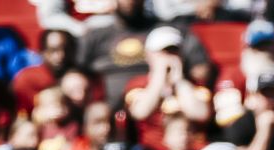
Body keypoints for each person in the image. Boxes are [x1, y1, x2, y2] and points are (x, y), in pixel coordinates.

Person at [76, 0, 211, 106]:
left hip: (159, 103)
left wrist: (182, 76)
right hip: (111, 107)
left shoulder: (167, 30)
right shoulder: (96, 36)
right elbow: (75, 71)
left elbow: (200, 68)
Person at [124, 26, 214, 150]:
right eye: (163, 52)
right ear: (148, 55)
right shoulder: (137, 84)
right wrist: (159, 78)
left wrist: (179, 82)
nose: (169, 56)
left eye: (174, 51)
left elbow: (200, 114)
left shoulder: (195, 85)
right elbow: (140, 112)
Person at [12, 29, 80, 116]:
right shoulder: (27, 79)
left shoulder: (80, 79)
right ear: (42, 52)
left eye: (66, 49)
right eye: (54, 50)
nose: (61, 55)